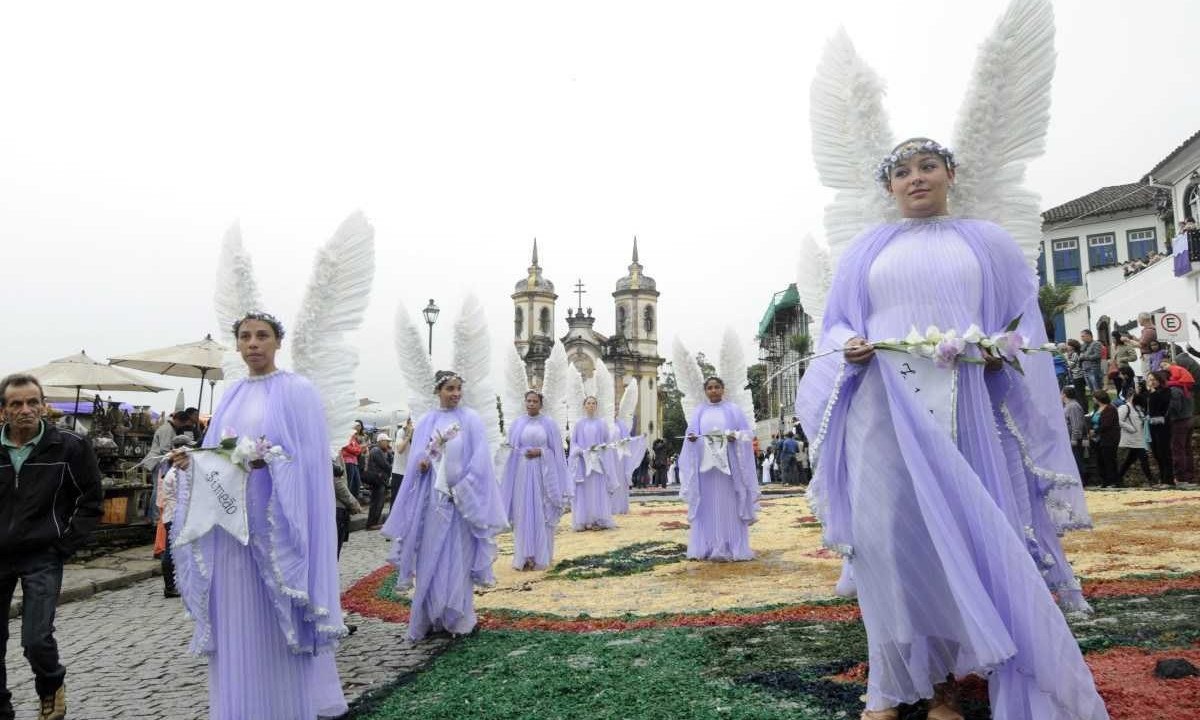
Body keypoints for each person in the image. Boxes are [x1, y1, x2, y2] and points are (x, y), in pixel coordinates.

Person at [794, 139, 1106, 719]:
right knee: (888, 541)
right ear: (888, 186)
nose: (916, 179)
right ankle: (889, 684)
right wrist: (848, 348)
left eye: (928, 168)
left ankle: (948, 689)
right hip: (881, 411)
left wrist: (998, 354)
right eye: (903, 172)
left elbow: (1019, 322)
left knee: (958, 536)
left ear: (950, 174)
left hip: (965, 409)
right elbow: (835, 324)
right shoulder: (867, 249)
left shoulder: (985, 242)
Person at [170, 312, 348, 719]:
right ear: (236, 345)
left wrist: (271, 461)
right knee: (238, 624)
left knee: (274, 627)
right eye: (246, 337)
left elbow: (309, 463)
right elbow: (216, 456)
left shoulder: (298, 391)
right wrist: (191, 463)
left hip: (276, 536)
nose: (253, 343)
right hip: (233, 534)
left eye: (262, 336)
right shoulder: (230, 394)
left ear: (277, 342)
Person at [0, 373, 102, 720]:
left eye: (32, 402)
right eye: (16, 404)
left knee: (36, 639)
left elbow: (90, 501)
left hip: (42, 554)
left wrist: (63, 546)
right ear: (4, 411)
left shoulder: (69, 446)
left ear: (43, 405)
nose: (25, 410)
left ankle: (50, 684)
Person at [381, 371, 507, 641]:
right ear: (439, 390)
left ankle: (456, 616)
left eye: (459, 388)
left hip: (461, 502)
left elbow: (479, 459)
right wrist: (423, 463)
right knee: (431, 557)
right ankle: (429, 615)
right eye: (450, 388)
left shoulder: (470, 420)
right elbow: (418, 459)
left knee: (458, 556)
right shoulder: (427, 420)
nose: (455, 394)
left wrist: (462, 488)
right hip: (433, 502)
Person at [680, 377, 759, 561]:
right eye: (709, 388)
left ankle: (732, 545)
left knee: (728, 505)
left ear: (723, 389)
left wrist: (735, 435)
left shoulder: (733, 410)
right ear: (705, 391)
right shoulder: (699, 411)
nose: (713, 390)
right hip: (706, 470)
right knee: (707, 505)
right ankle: (707, 546)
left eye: (716, 387)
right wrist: (691, 438)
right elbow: (691, 434)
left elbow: (748, 434)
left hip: (729, 469)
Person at [500, 391, 571, 571]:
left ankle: (541, 554)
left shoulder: (549, 424)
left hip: (542, 473)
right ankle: (524, 555)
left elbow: (556, 452)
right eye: (528, 401)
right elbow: (512, 449)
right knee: (523, 510)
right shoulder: (517, 424)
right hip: (523, 473)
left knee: (540, 509)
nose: (531, 404)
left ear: (541, 404)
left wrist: (541, 452)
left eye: (535, 401)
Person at [569, 397, 619, 531]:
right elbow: (573, 442)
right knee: (584, 490)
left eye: (593, 403)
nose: (591, 406)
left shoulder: (602, 423)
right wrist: (579, 451)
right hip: (583, 462)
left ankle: (598, 519)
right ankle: (584, 519)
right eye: (588, 403)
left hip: (598, 462)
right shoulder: (579, 424)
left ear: (596, 406)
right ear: (584, 406)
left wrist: (599, 449)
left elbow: (607, 442)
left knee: (597, 490)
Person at [1164, 368, 1194, 484]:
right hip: (1188, 419)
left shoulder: (1174, 390)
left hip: (1179, 422)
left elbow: (1175, 408)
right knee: (1187, 449)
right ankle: (1189, 475)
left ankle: (1180, 476)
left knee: (1178, 449)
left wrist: (1165, 415)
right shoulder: (1185, 388)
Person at [1117, 392, 1153, 485]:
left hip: (1139, 438)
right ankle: (1151, 480)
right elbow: (1119, 421)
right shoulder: (1124, 408)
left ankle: (1118, 477)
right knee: (1142, 458)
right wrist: (1131, 428)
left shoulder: (1139, 409)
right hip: (1131, 438)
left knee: (1129, 460)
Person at [1145, 370, 1174, 485]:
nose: (1151, 382)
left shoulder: (1165, 391)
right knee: (1156, 453)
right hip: (1151, 425)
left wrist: (1152, 393)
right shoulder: (1149, 393)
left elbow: (1158, 406)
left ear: (1158, 380)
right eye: (1149, 379)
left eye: (1153, 380)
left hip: (1162, 425)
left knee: (1164, 452)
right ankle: (1162, 478)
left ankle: (1169, 480)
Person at [332, 459, 363, 559]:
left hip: (337, 507)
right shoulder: (333, 453)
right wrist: (353, 503)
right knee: (333, 550)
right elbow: (337, 483)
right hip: (337, 507)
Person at [363, 433, 393, 529]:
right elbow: (385, 465)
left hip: (379, 479)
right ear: (381, 441)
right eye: (386, 441)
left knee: (378, 502)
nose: (388, 443)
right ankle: (372, 524)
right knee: (377, 502)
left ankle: (373, 523)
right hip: (378, 479)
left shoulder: (381, 451)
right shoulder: (376, 451)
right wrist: (392, 468)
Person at [1091, 391, 1119, 487]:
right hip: (1097, 439)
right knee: (1100, 460)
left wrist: (1095, 431)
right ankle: (1104, 481)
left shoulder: (1110, 409)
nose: (1093, 399)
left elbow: (1107, 424)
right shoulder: (1097, 408)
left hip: (1109, 438)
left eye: (1094, 397)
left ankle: (1113, 481)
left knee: (1109, 460)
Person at [389, 417, 413, 511]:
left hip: (411, 473)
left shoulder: (420, 434)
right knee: (396, 501)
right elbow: (400, 449)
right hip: (399, 472)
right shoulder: (401, 432)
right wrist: (408, 436)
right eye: (411, 423)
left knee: (408, 503)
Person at [341, 421, 366, 501]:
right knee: (349, 484)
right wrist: (359, 449)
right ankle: (347, 505)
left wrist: (358, 449)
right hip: (348, 461)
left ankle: (351, 504)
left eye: (359, 426)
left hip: (354, 462)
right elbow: (353, 449)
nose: (357, 427)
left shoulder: (353, 438)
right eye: (356, 426)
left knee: (356, 484)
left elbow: (357, 450)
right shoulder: (346, 437)